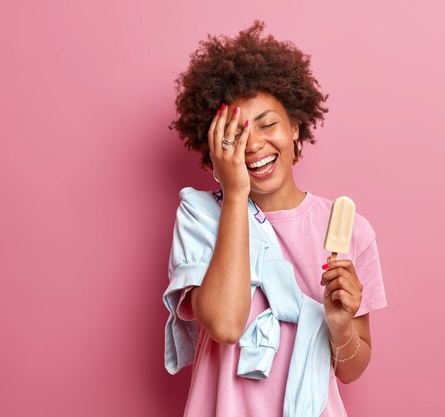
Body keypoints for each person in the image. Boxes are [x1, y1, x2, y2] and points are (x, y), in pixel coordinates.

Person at [163, 20, 387, 417]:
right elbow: (226, 325)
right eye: (235, 135)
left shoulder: (349, 228)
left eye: (268, 125)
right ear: (213, 148)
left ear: (295, 128)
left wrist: (338, 324)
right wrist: (235, 195)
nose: (255, 145)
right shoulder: (199, 217)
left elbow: (352, 370)